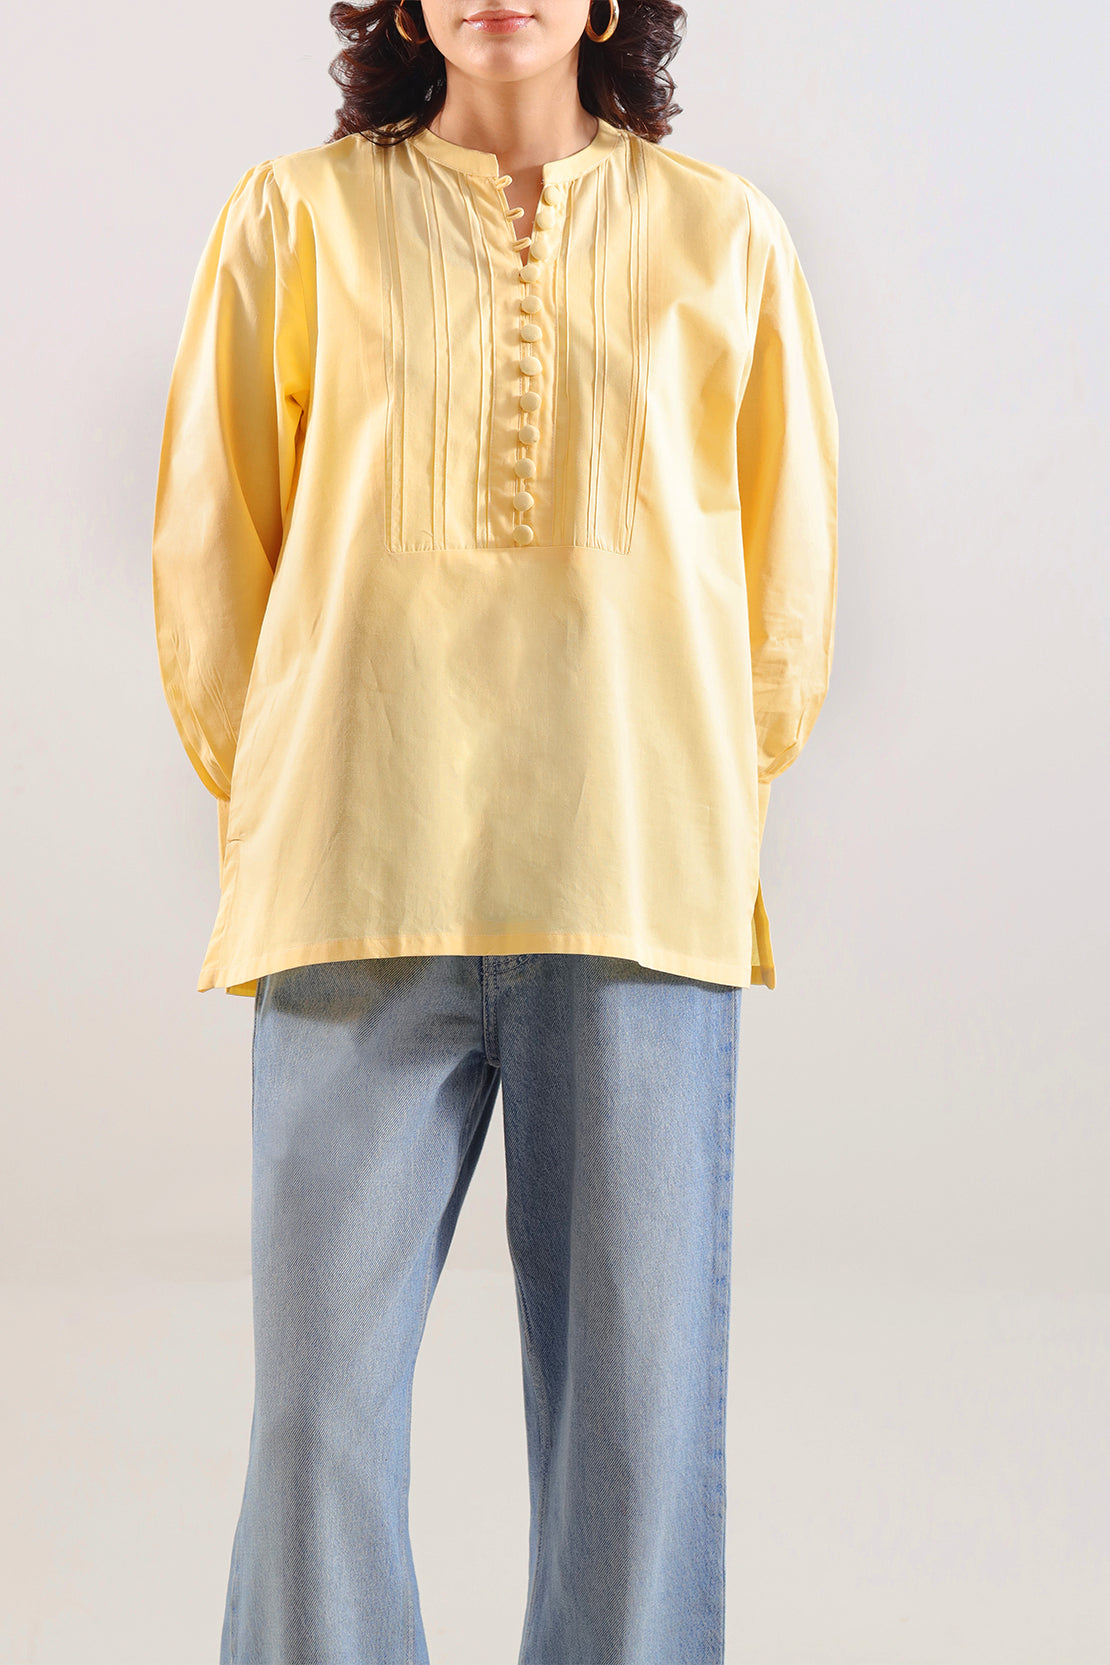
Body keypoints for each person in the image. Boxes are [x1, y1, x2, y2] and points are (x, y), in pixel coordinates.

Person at [151, 0, 838, 1658]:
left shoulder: (724, 236)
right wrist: (308, 782)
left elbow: (785, 590)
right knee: (315, 1418)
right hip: (355, 883)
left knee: (634, 1429)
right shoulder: (295, 219)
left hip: (632, 886)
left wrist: (667, 786)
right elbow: (211, 552)